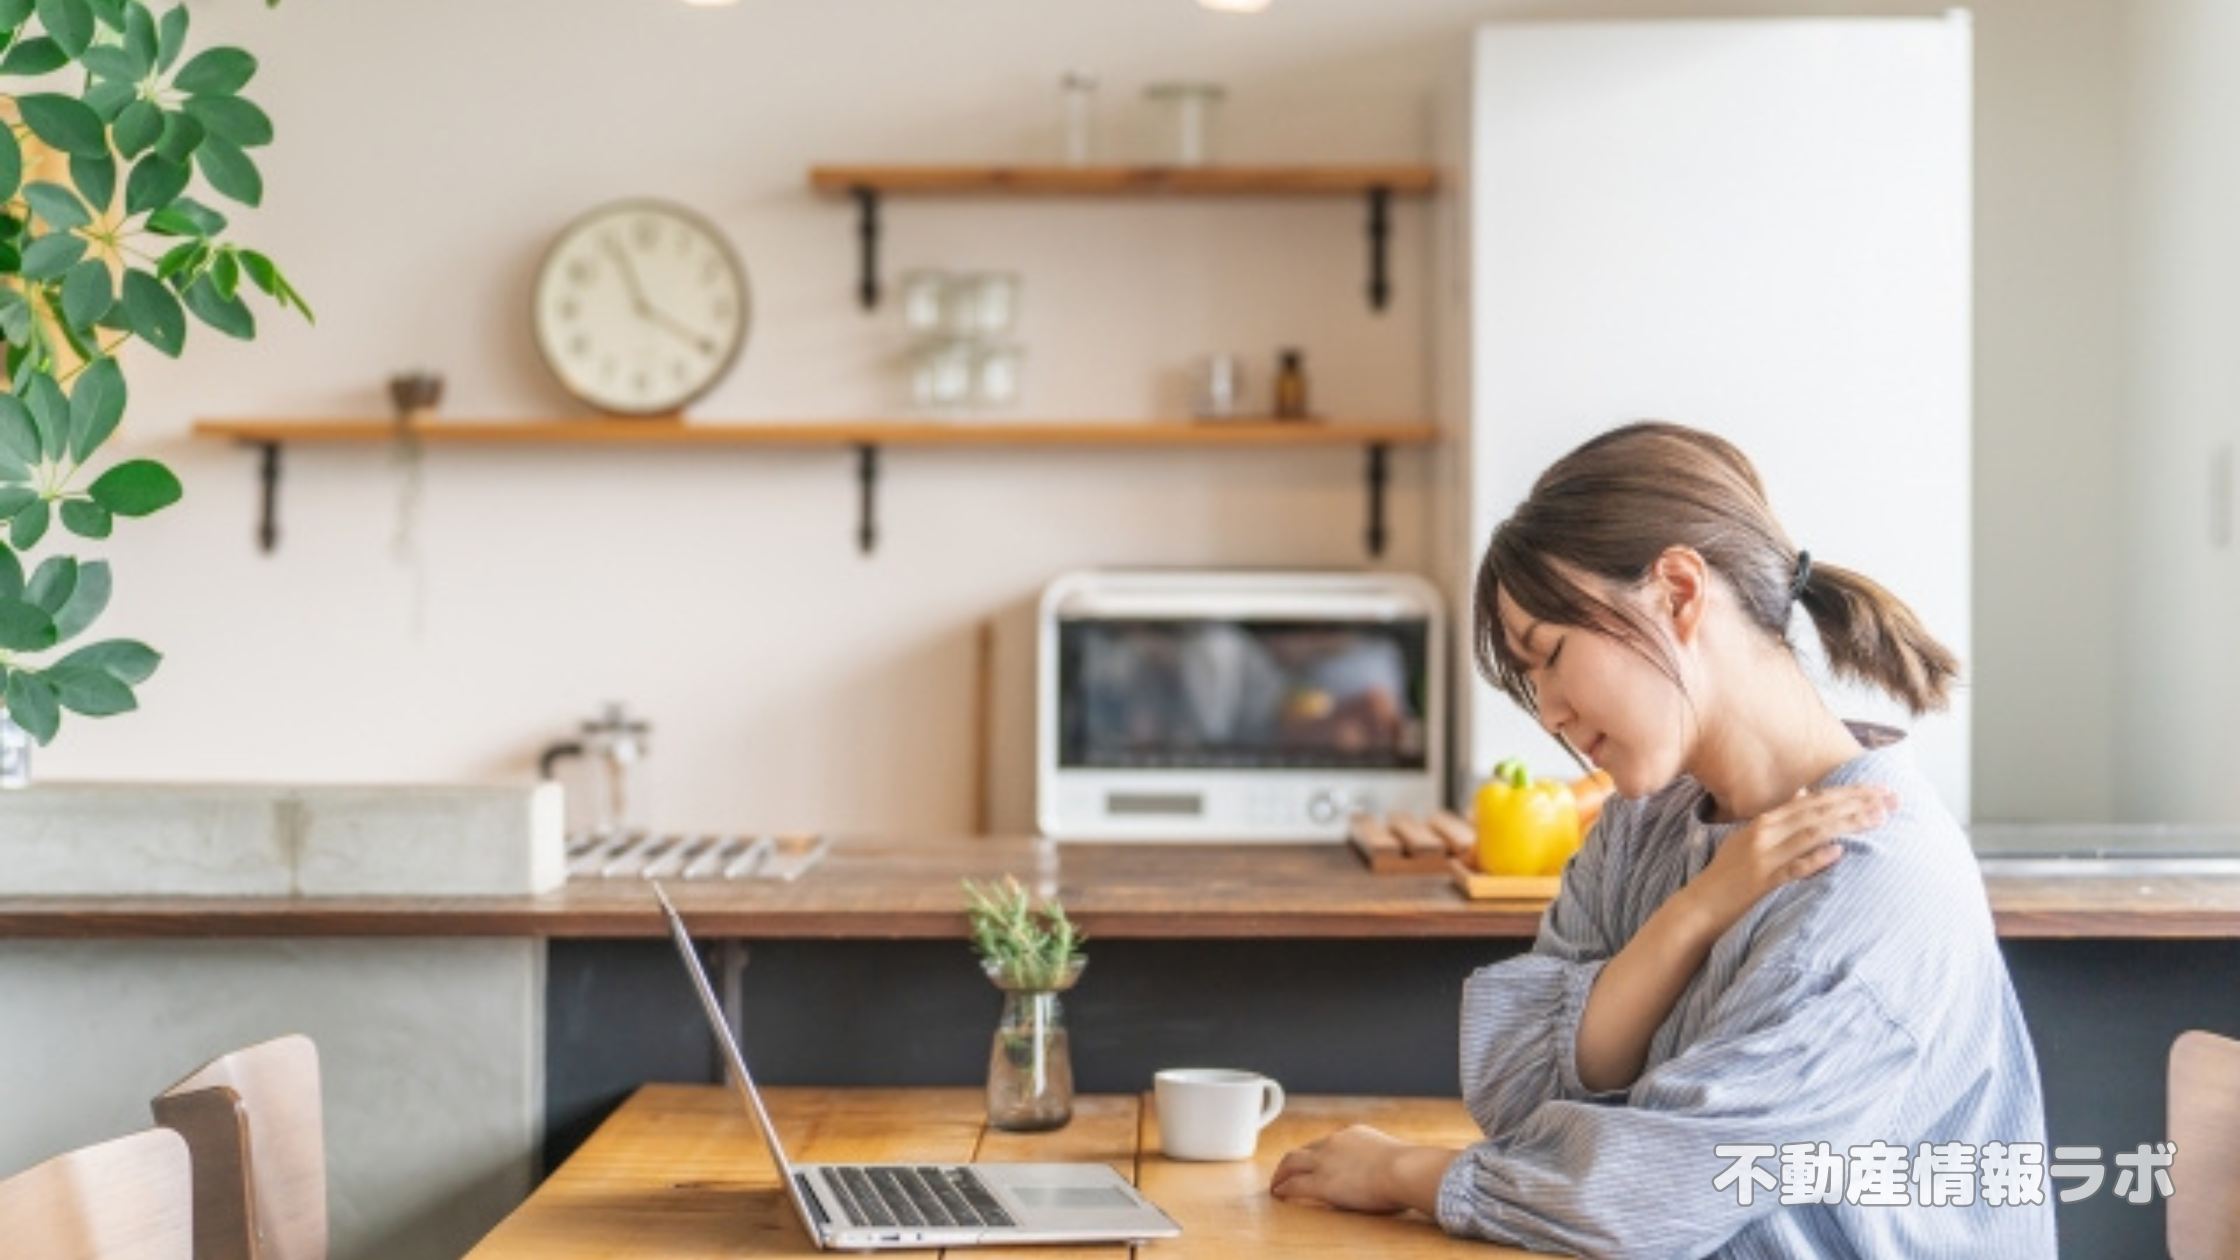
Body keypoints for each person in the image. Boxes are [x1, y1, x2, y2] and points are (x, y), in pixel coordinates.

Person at [1269, 422, 2056, 1256]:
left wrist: (1405, 1175)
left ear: (1679, 591)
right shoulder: (1642, 826)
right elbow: (1519, 1092)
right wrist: (1695, 912)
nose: (1550, 713)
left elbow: (1652, 1192)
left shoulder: (1870, 873)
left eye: (1551, 655)